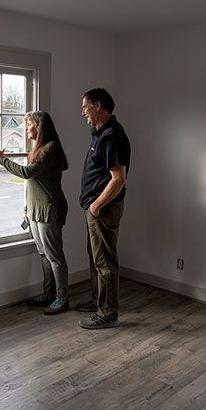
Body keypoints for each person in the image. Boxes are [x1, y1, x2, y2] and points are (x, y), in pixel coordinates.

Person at [0, 111, 70, 315]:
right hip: (35, 209)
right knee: (43, 254)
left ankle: (62, 298)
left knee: (54, 256)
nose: (26, 128)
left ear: (40, 126)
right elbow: (31, 184)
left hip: (49, 208)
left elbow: (27, 173)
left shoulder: (51, 148)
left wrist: (3, 160)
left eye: (29, 124)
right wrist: (26, 208)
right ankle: (49, 293)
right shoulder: (38, 148)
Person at [76, 88, 130, 329]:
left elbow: (118, 178)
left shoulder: (111, 136)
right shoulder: (100, 133)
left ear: (98, 106)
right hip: (95, 208)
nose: (83, 111)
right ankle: (97, 301)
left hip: (104, 209)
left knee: (105, 261)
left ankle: (107, 314)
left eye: (85, 106)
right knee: (95, 257)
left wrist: (96, 205)